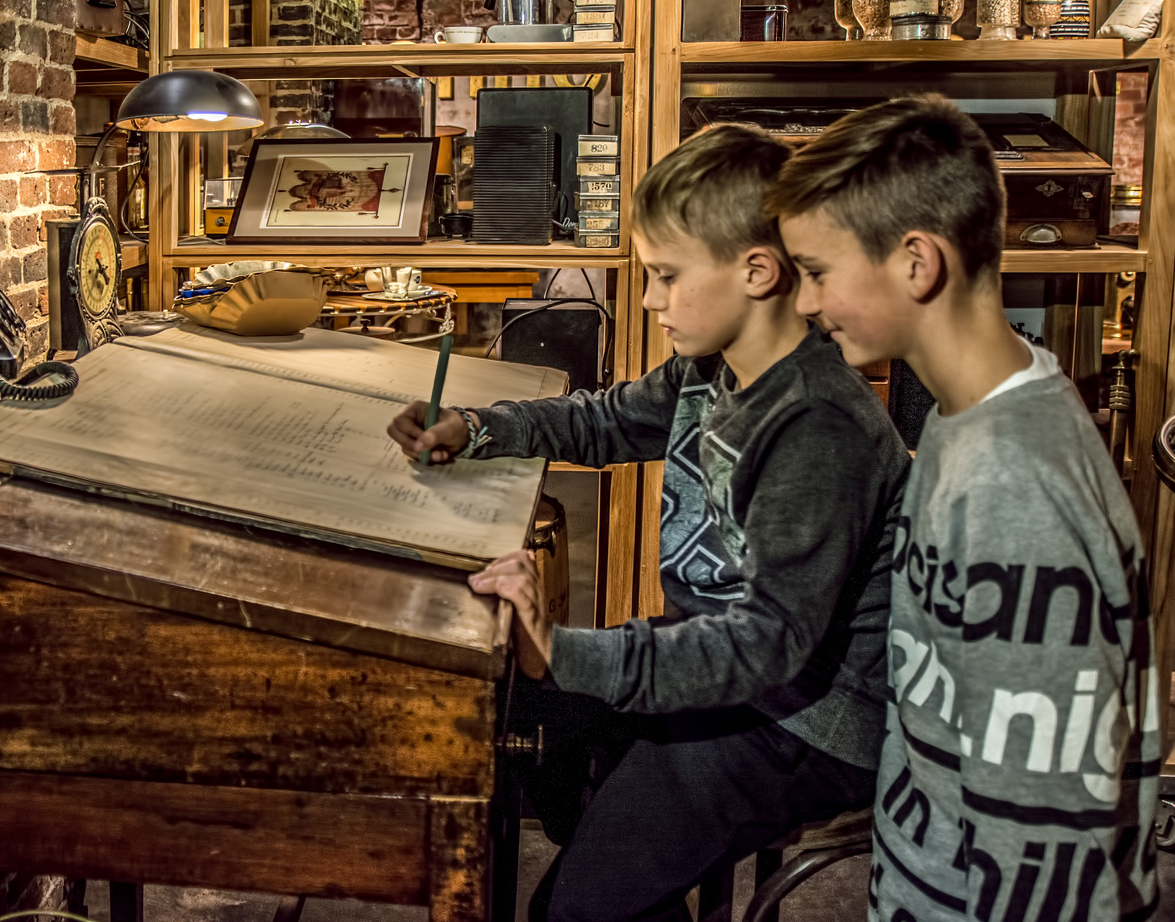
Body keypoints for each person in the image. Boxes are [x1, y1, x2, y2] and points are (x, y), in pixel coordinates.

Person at [387, 124, 911, 922]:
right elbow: (603, 422)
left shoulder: (817, 426)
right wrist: (475, 426)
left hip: (803, 720)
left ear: (758, 272)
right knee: (521, 717)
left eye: (665, 276)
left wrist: (563, 649)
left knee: (571, 909)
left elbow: (764, 647)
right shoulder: (712, 369)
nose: (647, 300)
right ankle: (626, 865)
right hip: (723, 672)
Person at [768, 95, 1160, 922]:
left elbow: (1054, 858)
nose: (804, 303)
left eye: (818, 271)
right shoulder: (961, 416)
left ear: (917, 262)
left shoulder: (1015, 489)